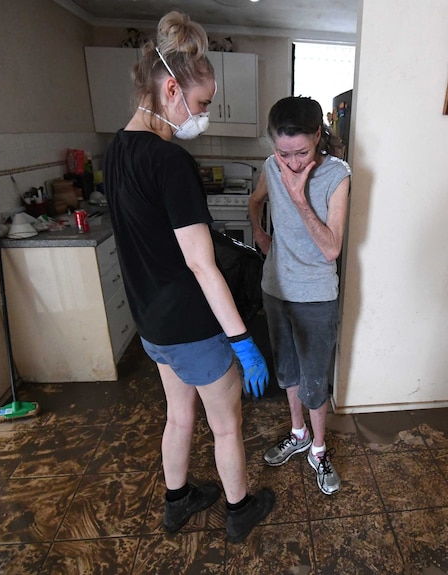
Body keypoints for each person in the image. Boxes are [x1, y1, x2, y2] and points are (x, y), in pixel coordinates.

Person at [102, 10, 274, 542]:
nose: (203, 116)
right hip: (193, 325)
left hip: (152, 324)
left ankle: (177, 503)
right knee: (226, 424)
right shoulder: (169, 161)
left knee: (179, 417)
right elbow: (201, 263)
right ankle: (239, 510)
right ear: (171, 89)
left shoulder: (116, 150)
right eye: (201, 104)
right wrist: (242, 340)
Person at [248, 96, 351, 495]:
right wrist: (259, 232)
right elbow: (255, 200)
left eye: (301, 153)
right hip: (275, 289)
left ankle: (319, 450)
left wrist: (297, 197)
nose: (291, 163)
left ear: (318, 138)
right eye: (282, 153)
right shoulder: (270, 166)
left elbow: (331, 249)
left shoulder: (337, 176)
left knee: (313, 380)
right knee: (287, 372)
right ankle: (298, 433)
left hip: (315, 295)